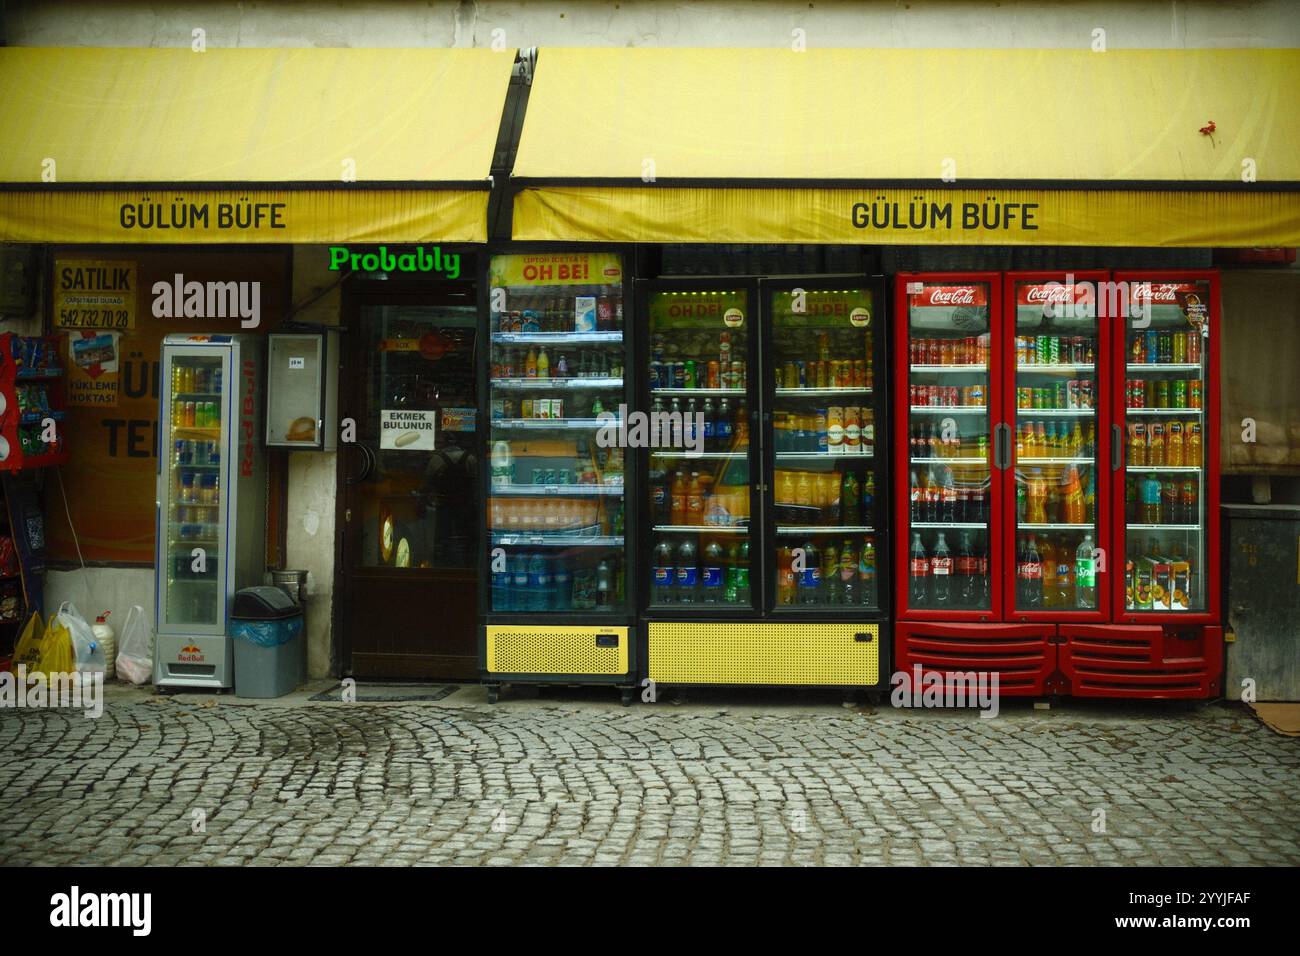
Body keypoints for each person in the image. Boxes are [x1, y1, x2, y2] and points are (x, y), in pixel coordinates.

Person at [414, 428, 478, 567]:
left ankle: (444, 566)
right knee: (466, 537)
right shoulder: (470, 458)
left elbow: (427, 483)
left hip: (444, 504)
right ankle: (467, 565)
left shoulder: (437, 459)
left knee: (443, 537)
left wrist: (421, 500)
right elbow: (477, 482)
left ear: (443, 443)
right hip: (465, 504)